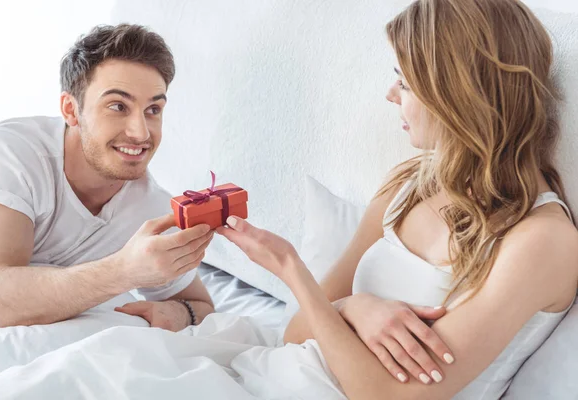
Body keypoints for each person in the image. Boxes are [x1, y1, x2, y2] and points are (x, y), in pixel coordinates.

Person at [218, 0, 578, 398]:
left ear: (457, 94)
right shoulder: (409, 186)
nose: (391, 94)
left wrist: (290, 268)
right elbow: (296, 333)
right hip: (282, 376)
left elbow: (394, 396)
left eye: (404, 82)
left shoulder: (541, 240)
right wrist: (354, 308)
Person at [0, 24, 215, 332]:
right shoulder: (12, 155)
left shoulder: (150, 208)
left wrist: (179, 314)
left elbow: (203, 307)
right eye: (118, 106)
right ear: (71, 110)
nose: (141, 132)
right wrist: (124, 271)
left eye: (153, 109)